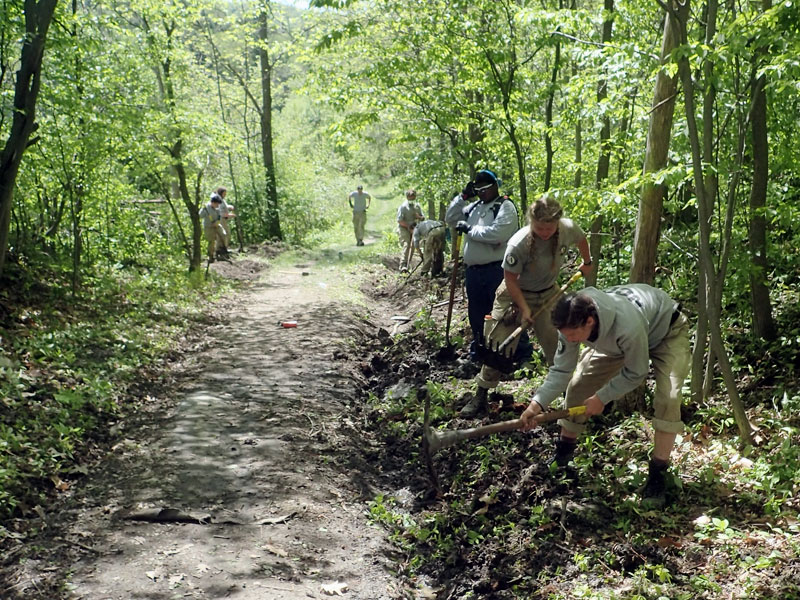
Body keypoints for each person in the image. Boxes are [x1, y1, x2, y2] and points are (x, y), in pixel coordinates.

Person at [519, 284, 690, 508]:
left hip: (666, 332)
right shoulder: (571, 324)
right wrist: (537, 404)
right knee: (579, 387)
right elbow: (562, 370)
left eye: (572, 335)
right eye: (565, 335)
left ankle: (658, 474)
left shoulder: (626, 325)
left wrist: (603, 397)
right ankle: (563, 454)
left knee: (669, 398)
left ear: (589, 322)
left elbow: (636, 372)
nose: (570, 340)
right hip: (615, 344)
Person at [459, 194, 593, 417]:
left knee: (560, 347)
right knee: (498, 347)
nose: (545, 233)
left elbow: (581, 239)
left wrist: (586, 262)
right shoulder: (518, 243)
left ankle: (569, 399)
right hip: (514, 295)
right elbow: (510, 280)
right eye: (540, 228)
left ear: (557, 223)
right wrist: (525, 308)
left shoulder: (567, 228)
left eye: (549, 228)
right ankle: (481, 395)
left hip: (549, 293)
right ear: (532, 222)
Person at [445, 169, 519, 362]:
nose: (482, 192)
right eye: (478, 189)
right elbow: (451, 218)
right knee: (477, 315)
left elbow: (497, 234)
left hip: (497, 269)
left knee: (502, 313)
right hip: (474, 272)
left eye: (486, 188)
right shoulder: (475, 207)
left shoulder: (504, 206)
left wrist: (470, 229)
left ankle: (511, 355)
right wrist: (462, 197)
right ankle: (480, 353)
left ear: (495, 186)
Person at [397, 189, 424, 271]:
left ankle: (408, 263)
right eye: (410, 198)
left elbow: (423, 218)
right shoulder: (403, 207)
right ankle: (403, 264)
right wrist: (409, 227)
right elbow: (400, 220)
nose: (412, 199)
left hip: (414, 228)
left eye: (413, 198)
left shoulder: (417, 206)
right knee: (407, 243)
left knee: (413, 245)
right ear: (407, 197)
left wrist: (419, 217)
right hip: (404, 228)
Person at [199, 194, 225, 263]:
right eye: (217, 204)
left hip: (217, 224)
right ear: (213, 202)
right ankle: (210, 256)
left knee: (223, 234)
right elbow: (200, 216)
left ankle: (220, 251)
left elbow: (219, 215)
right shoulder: (206, 208)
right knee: (211, 242)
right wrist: (202, 210)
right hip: (208, 227)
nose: (218, 206)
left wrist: (217, 222)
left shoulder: (217, 208)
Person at [213, 187, 236, 257]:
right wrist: (229, 215)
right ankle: (220, 250)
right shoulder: (218, 200)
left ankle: (223, 248)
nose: (225, 194)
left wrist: (229, 207)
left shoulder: (221, 199)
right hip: (220, 219)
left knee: (226, 233)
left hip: (223, 219)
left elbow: (224, 207)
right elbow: (220, 212)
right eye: (224, 193)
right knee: (223, 234)